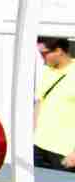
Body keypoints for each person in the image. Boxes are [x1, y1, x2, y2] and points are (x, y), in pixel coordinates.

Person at [35, 37, 75, 170]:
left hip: (64, 151)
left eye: (45, 53)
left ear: (58, 51)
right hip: (39, 146)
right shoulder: (48, 71)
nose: (42, 58)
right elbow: (40, 103)